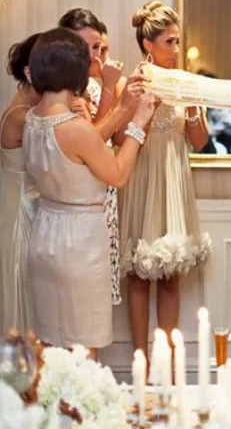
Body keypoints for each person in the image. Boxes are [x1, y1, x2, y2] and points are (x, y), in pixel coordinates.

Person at [23, 28, 153, 358]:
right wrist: (138, 122)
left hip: (45, 233)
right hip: (79, 241)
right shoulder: (75, 127)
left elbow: (82, 151)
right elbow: (118, 174)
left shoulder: (32, 120)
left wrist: (122, 107)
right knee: (83, 346)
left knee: (51, 345)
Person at [118, 0, 211, 357]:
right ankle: (140, 362)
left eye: (177, 41)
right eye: (169, 42)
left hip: (174, 184)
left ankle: (170, 367)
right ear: (148, 44)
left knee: (170, 274)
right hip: (141, 180)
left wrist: (193, 109)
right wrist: (142, 109)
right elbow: (118, 139)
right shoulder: (133, 84)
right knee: (139, 276)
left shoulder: (184, 83)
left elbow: (199, 142)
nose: (176, 49)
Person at [59, 9, 127, 307]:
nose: (94, 55)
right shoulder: (62, 93)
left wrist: (110, 89)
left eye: (97, 47)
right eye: (84, 46)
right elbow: (93, 142)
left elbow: (107, 134)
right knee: (78, 301)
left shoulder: (93, 87)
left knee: (97, 300)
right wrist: (114, 90)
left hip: (104, 195)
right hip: (79, 201)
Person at [0, 34, 43, 334]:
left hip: (26, 207)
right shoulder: (23, 117)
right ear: (29, 72)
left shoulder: (30, 112)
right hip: (20, 213)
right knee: (21, 291)